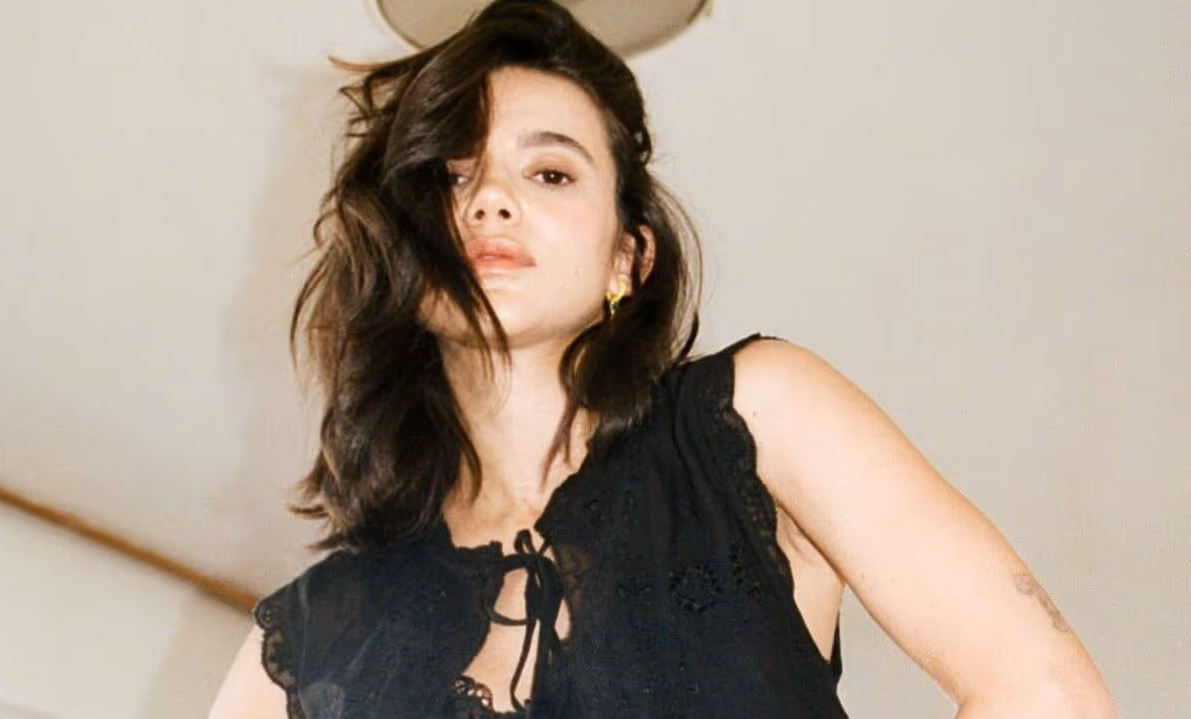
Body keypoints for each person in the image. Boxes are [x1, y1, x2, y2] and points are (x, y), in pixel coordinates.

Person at [209, 1, 1114, 717]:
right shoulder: (306, 638)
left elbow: (1044, 690)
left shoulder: (754, 421)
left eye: (550, 173)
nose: (489, 198)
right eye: (451, 174)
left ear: (628, 258)